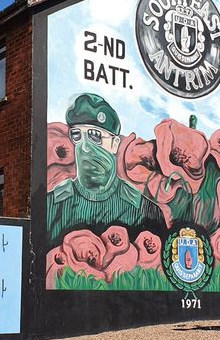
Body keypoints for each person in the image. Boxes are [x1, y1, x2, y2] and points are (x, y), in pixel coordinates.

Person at [46, 93, 164, 246]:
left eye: (95, 135)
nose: (85, 147)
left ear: (114, 144)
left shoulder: (144, 211)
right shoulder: (52, 205)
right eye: (77, 135)